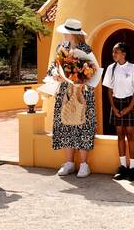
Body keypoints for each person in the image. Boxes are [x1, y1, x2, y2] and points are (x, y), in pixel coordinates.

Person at [48, 18, 102, 178]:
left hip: (81, 91)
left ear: (73, 33)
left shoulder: (86, 49)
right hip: (65, 91)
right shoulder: (61, 47)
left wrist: (80, 79)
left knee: (82, 125)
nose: (64, 34)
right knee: (66, 124)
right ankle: (69, 163)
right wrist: (55, 74)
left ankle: (84, 165)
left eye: (66, 32)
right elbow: (53, 65)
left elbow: (93, 70)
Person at [103, 42, 134, 181]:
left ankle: (132, 168)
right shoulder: (111, 68)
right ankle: (122, 167)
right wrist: (113, 107)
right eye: (113, 52)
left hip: (129, 103)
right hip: (116, 103)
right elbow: (109, 89)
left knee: (130, 135)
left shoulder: (133, 68)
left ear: (124, 53)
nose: (114, 54)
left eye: (116, 52)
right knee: (120, 135)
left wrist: (130, 107)